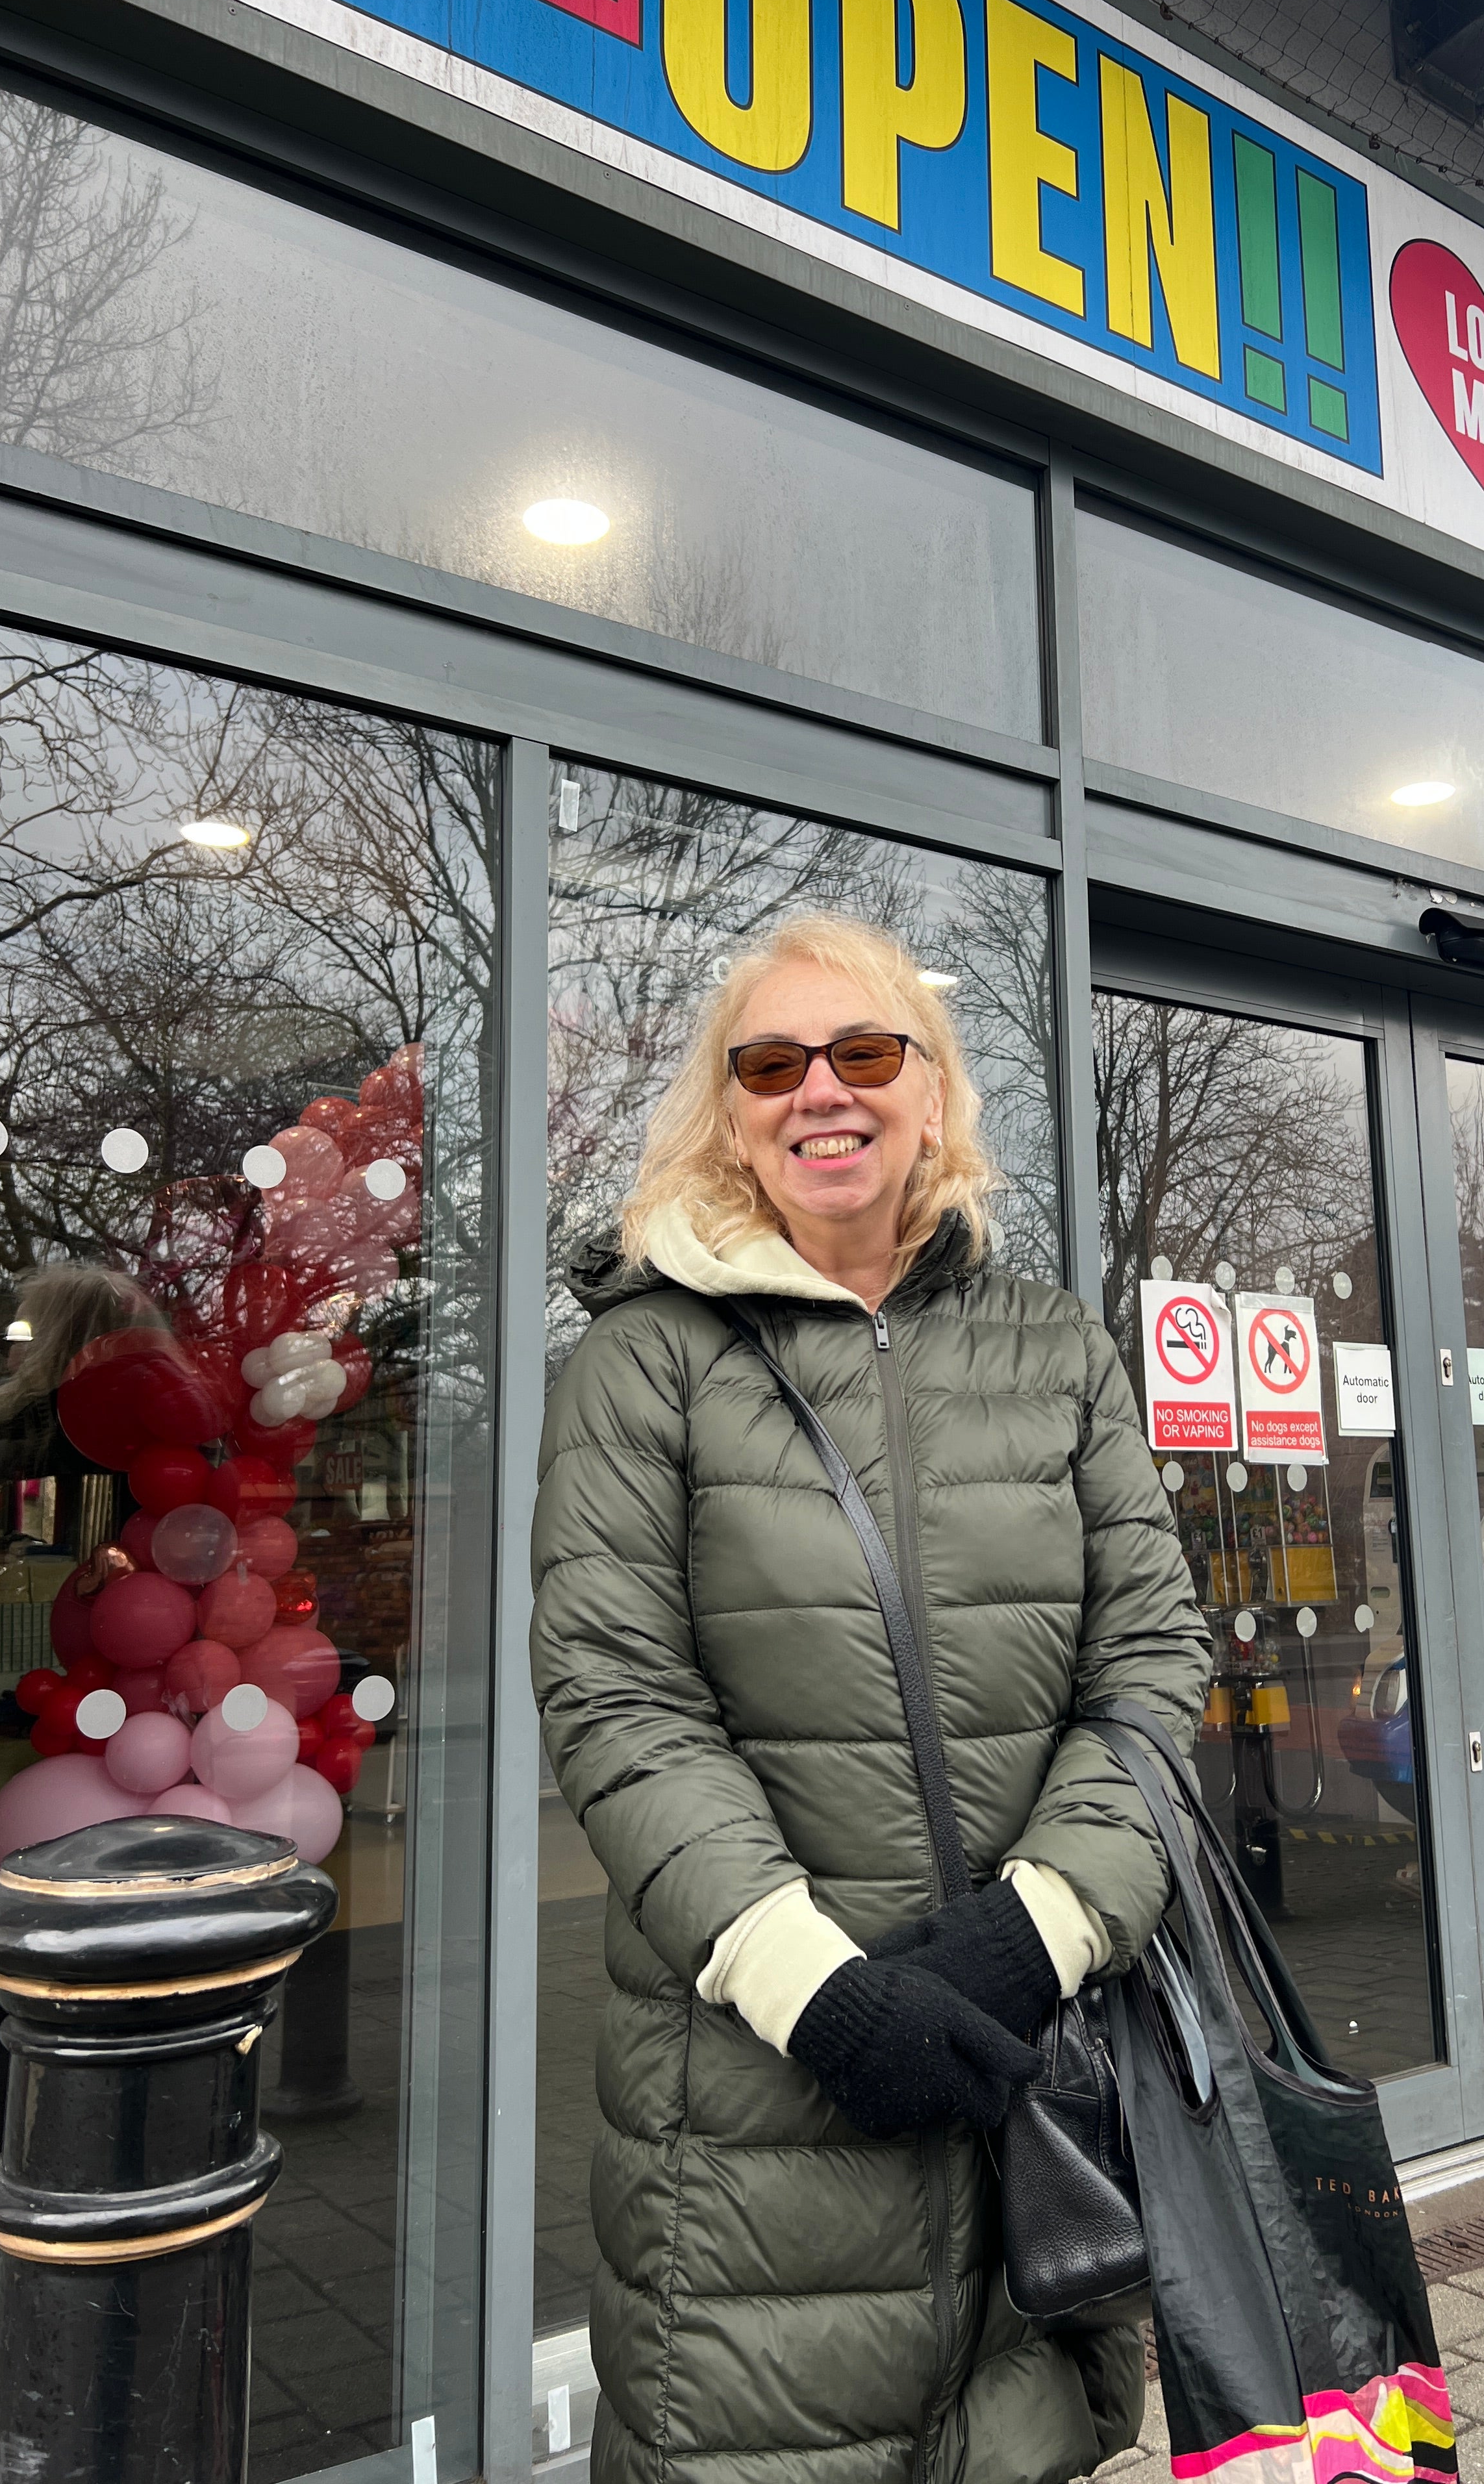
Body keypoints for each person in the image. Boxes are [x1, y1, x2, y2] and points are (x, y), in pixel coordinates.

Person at [533, 913, 1211, 2484]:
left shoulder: (1055, 1349)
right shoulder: (644, 1361)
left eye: (864, 1052)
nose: (818, 1091)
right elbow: (618, 1697)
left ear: (932, 1089)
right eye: (770, 1062)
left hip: (1034, 2076)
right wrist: (808, 1986)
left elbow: (1154, 1661)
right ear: (729, 1106)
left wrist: (1046, 1922)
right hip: (753, 2103)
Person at [0, 1261, 160, 2353]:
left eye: (22, 1333)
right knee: (127, 2016)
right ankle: (120, 2245)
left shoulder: (16, 1461)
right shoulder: (166, 1466)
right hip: (135, 1763)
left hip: (9, 1752)